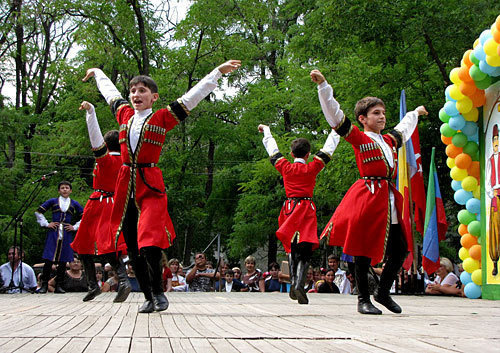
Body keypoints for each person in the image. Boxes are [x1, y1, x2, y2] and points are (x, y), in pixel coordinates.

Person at [83, 60, 240, 313]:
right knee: (133, 250)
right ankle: (147, 295)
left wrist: (217, 73)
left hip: (150, 187)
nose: (136, 95)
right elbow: (110, 93)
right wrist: (99, 73)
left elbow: (192, 97)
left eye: (142, 91)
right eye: (133, 91)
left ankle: (158, 292)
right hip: (125, 187)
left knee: (150, 245)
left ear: (153, 97)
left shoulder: (162, 117)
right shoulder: (123, 114)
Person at [311, 69, 428, 315]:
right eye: (376, 113)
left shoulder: (388, 140)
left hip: (387, 198)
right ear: (363, 118)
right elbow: (335, 115)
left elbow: (404, 128)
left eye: (383, 113)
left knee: (400, 249)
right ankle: (363, 299)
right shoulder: (358, 138)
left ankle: (383, 292)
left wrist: (415, 113)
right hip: (367, 196)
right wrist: (323, 87)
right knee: (362, 251)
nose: (382, 117)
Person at [258, 123, 339, 304]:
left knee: (291, 247)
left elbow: (272, 149)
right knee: (305, 250)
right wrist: (336, 130)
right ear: (308, 154)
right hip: (306, 209)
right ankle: (298, 283)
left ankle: (295, 281)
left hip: (289, 209)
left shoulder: (285, 166)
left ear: (292, 153)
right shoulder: (312, 167)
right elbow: (328, 149)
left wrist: (267, 131)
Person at [71, 100, 131, 303]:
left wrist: (91, 112)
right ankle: (119, 281)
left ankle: (99, 284)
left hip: (100, 202)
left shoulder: (105, 159)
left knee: (87, 244)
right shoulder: (126, 160)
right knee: (103, 244)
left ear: (106, 144)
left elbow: (94, 137)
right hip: (115, 203)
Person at [35, 181, 83, 294]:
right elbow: (38, 212)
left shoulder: (74, 203)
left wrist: (75, 227)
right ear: (59, 190)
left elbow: (84, 216)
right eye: (62, 188)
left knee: (63, 260)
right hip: (54, 232)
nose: (65, 190)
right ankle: (44, 285)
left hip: (66, 232)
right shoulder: (53, 201)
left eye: (67, 188)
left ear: (70, 190)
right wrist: (47, 224)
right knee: (49, 259)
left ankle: (59, 285)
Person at [486, 124, 500, 276]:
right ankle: (495, 261)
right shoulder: (490, 159)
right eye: (494, 139)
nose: (496, 142)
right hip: (496, 195)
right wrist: (492, 194)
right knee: (495, 229)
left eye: (498, 139)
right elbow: (488, 180)